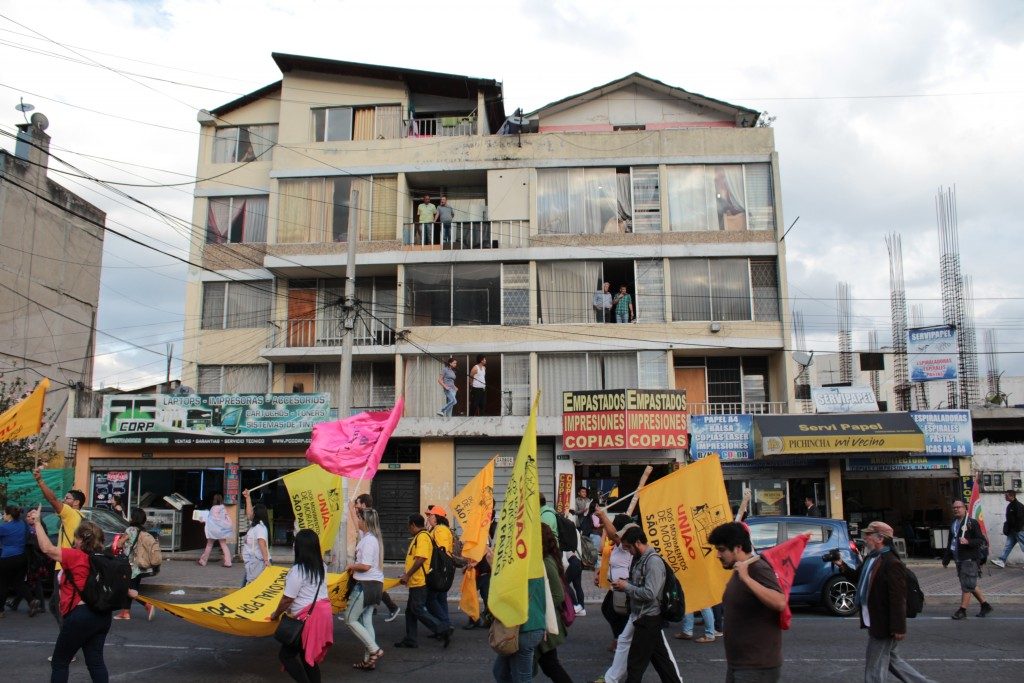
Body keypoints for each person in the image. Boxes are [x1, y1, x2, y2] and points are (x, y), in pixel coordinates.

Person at [833, 521, 936, 683]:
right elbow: (858, 577)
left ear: (880, 538)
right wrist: (841, 564)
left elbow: (898, 598)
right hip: (874, 619)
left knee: (874, 668)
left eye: (868, 535)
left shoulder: (892, 563)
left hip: (884, 623)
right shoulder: (872, 558)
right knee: (892, 661)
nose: (865, 538)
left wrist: (899, 627)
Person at [28, 509, 111, 683]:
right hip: (102, 614)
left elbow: (47, 548)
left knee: (60, 662)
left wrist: (37, 523)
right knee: (95, 662)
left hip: (80, 615)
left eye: (76, 538)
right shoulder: (105, 558)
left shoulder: (75, 556)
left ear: (81, 540)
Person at [709, 521, 786, 683]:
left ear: (737, 548)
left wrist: (746, 578)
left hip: (757, 667)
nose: (718, 555)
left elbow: (780, 602)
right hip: (739, 664)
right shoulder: (739, 568)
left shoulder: (757, 568)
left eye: (721, 550)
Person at [612, 526, 682, 683]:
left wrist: (627, 587)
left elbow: (650, 593)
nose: (629, 552)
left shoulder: (653, 562)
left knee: (635, 665)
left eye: (629, 547)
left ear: (637, 543)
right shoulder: (641, 560)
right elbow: (641, 586)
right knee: (663, 663)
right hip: (644, 617)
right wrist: (625, 585)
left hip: (648, 618)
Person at [268, 529, 333, 683]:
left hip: (309, 618)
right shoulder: (322, 566)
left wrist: (275, 615)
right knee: (306, 656)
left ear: (299, 548)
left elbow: (287, 600)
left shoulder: (297, 571)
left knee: (286, 656)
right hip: (323, 614)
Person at [33, 465, 84, 622]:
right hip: (69, 565)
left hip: (64, 566)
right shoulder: (79, 516)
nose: (64, 500)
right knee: (57, 604)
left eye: (67, 498)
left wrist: (40, 481)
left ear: (76, 502)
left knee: (59, 605)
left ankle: (68, 632)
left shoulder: (71, 513)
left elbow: (53, 499)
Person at [395, 514, 450, 648]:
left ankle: (442, 629)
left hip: (420, 581)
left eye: (409, 526)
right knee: (410, 611)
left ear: (413, 525)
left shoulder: (423, 537)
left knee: (417, 609)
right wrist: (406, 574)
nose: (408, 529)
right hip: (415, 580)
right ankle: (411, 639)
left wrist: (408, 575)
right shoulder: (419, 536)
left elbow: (421, 558)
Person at [346, 508, 385, 671]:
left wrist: (351, 566)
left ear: (366, 521)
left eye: (359, 518)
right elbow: (357, 525)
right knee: (366, 620)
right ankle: (369, 660)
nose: (358, 520)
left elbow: (365, 566)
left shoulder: (369, 541)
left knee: (350, 619)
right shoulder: (370, 537)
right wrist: (351, 507)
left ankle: (374, 650)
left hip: (366, 585)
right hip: (374, 585)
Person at [352, 493, 401, 621]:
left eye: (357, 504)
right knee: (373, 584)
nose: (355, 506)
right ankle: (369, 608)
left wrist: (350, 509)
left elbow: (366, 566)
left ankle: (390, 607)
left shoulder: (368, 520)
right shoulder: (368, 519)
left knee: (374, 584)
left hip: (368, 569)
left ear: (363, 504)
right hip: (368, 569)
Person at [942, 499, 993, 619]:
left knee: (966, 585)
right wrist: (946, 558)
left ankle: (962, 610)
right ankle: (985, 605)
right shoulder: (954, 523)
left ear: (965, 508)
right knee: (969, 583)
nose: (956, 509)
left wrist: (968, 541)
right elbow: (951, 541)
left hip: (969, 558)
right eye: (954, 508)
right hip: (958, 558)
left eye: (959, 507)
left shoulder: (971, 523)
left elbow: (981, 540)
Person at [536, 523, 573, 683]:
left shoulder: (546, 561)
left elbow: (558, 595)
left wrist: (537, 607)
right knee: (549, 665)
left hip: (547, 621)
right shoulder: (545, 559)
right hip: (545, 620)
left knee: (550, 665)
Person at [114, 508, 157, 621]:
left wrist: (120, 541)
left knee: (126, 589)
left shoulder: (130, 530)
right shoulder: (144, 532)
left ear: (133, 518)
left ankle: (147, 604)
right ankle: (125, 613)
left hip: (130, 565)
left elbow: (119, 544)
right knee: (132, 588)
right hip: (140, 566)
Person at [424, 504, 454, 633]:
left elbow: (441, 551)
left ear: (437, 517)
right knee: (441, 599)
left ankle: (445, 624)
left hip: (439, 569)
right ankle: (443, 627)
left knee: (430, 599)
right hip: (443, 568)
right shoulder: (439, 529)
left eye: (430, 515)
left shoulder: (440, 530)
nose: (428, 518)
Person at [0, 505, 33, 618]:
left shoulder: (4, 527)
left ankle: (0, 610)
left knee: (3, 584)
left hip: (7, 558)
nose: (3, 516)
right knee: (19, 582)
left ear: (9, 515)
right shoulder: (23, 524)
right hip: (22, 557)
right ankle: (32, 601)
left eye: (4, 514)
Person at [241, 489, 272, 586]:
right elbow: (249, 514)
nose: (251, 512)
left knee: (252, 586)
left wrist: (266, 561)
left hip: (258, 562)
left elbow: (262, 544)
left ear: (257, 514)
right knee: (249, 586)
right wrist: (248, 498)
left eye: (253, 510)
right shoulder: (255, 525)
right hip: (253, 562)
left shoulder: (260, 528)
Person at [198, 493, 234, 567]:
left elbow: (210, 519)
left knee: (209, 545)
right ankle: (228, 562)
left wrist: (202, 519)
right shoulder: (223, 508)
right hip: (221, 530)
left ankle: (203, 561)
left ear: (214, 500)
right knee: (224, 545)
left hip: (213, 530)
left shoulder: (213, 508)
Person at [992, 489, 1024, 568]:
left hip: (1019, 530)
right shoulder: (1010, 505)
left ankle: (1001, 560)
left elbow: (1021, 519)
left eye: (1006, 496)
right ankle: (1001, 561)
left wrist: (1017, 529)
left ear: (1012, 496)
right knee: (1008, 546)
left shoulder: (1018, 505)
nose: (1005, 497)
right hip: (1013, 531)